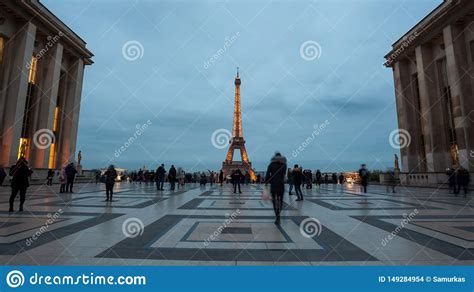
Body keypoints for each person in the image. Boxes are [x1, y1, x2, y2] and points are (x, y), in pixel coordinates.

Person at [265, 152, 287, 225]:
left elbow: (268, 174)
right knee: (280, 201)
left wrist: (266, 182)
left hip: (274, 184)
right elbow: (283, 174)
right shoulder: (284, 165)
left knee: (274, 201)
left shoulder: (271, 164)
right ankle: (279, 214)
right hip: (281, 185)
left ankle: (277, 216)